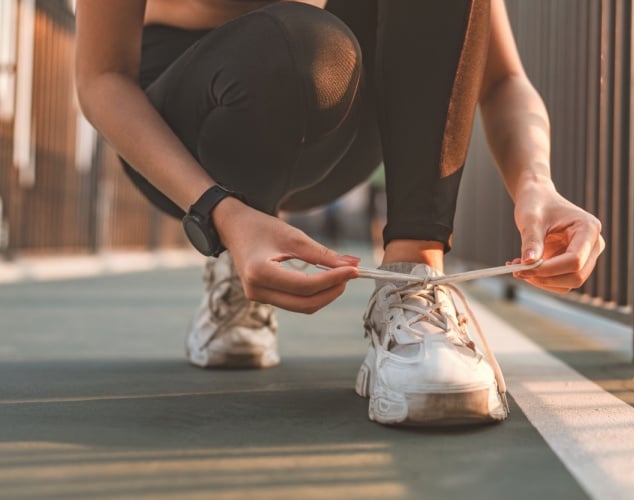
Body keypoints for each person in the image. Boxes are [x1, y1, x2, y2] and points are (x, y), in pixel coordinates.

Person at [75, 0, 604, 426]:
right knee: (289, 45)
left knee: (314, 47)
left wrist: (537, 183)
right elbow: (101, 78)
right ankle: (231, 254)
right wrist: (219, 210)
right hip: (185, 137)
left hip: (333, 116)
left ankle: (411, 278)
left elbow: (498, 78)